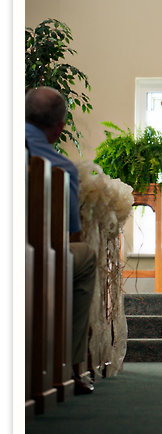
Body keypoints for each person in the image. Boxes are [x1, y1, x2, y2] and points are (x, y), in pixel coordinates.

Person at [25, 87, 97, 393]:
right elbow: (66, 232)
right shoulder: (59, 169)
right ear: (60, 127)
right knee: (84, 255)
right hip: (31, 257)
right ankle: (65, 367)